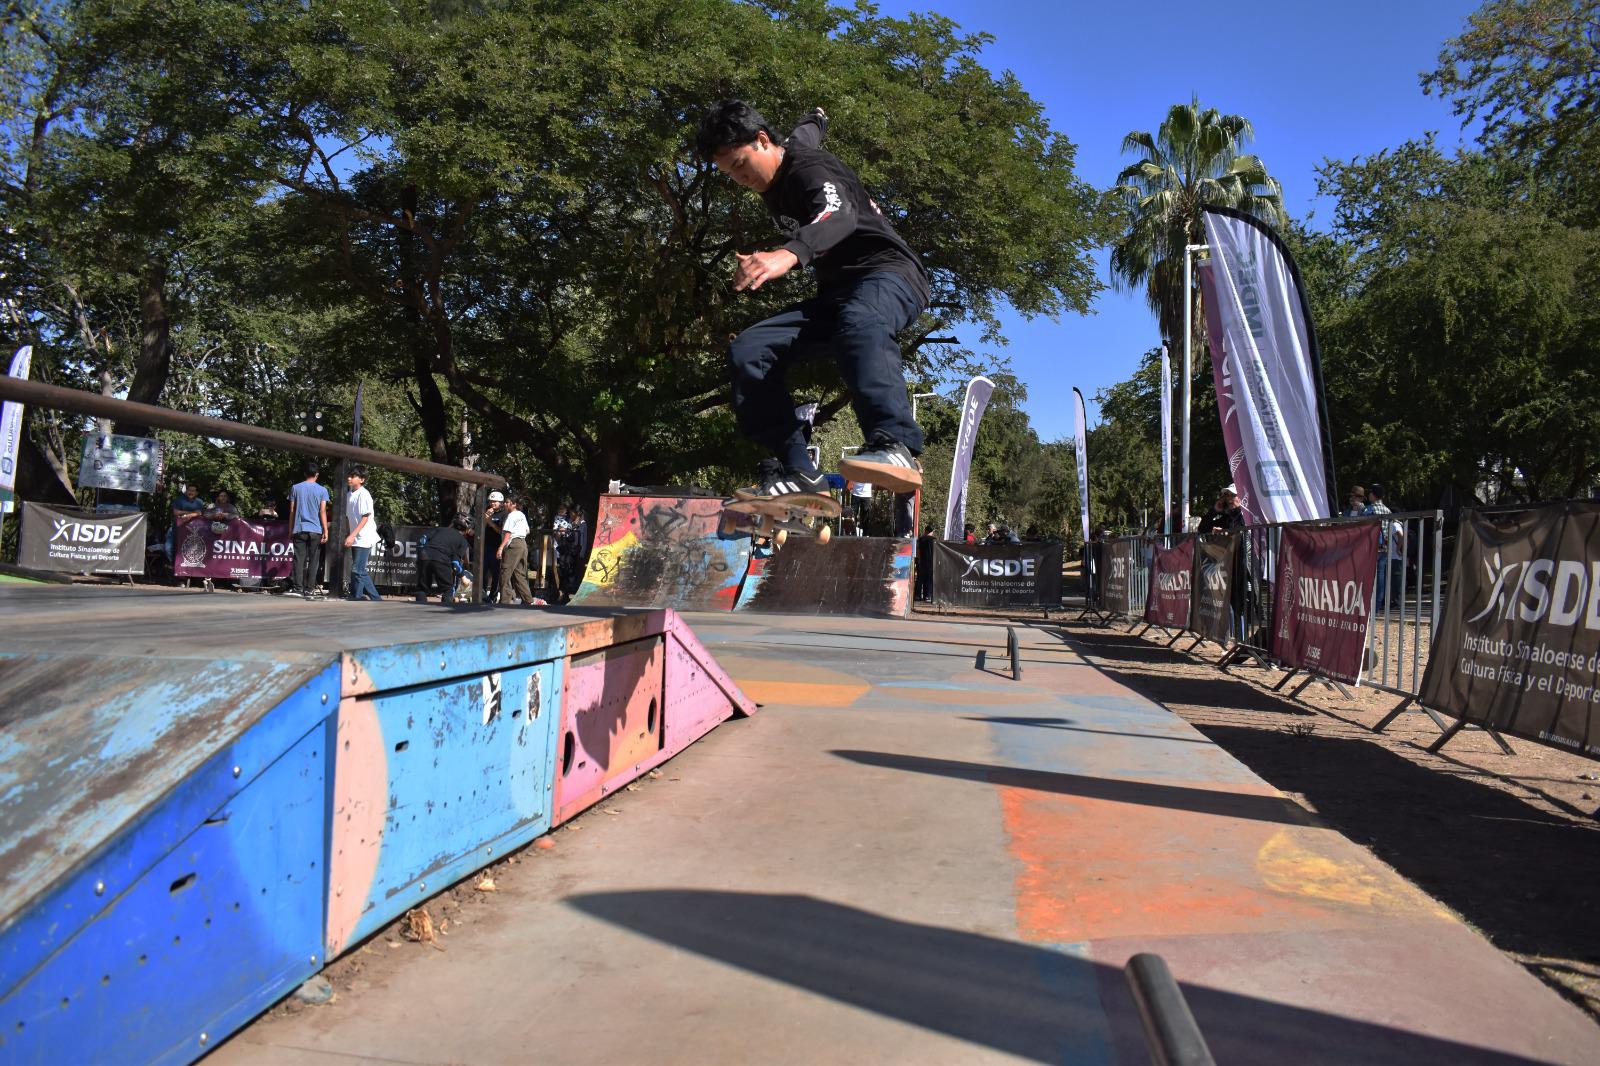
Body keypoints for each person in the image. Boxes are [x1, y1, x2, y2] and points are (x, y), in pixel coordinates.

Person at [696, 100, 931, 500]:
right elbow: (805, 131)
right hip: (838, 298)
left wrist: (788, 254)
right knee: (749, 350)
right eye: (728, 174)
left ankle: (895, 445)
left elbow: (837, 216)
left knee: (860, 319)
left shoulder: (811, 169)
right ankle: (798, 471)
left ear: (763, 140)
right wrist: (818, 117)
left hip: (891, 275)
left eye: (739, 165)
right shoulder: (787, 149)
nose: (739, 179)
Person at [286, 463, 329, 597]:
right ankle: (310, 589)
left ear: (305, 474)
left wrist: (290, 529)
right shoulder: (322, 490)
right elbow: (322, 511)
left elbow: (292, 511)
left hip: (299, 528)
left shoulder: (295, 488)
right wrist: (325, 530)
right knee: (314, 560)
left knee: (299, 559)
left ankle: (298, 588)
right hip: (315, 530)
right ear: (317, 474)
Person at [343, 465, 381, 601]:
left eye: (353, 476)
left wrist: (352, 535)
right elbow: (349, 517)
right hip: (355, 537)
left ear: (362, 480)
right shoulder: (348, 495)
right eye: (349, 475)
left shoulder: (364, 494)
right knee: (358, 570)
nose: (349, 478)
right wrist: (349, 534)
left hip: (364, 537)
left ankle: (375, 598)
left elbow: (365, 517)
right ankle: (357, 596)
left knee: (358, 570)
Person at [1364, 482, 1406, 609]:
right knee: (1381, 577)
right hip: (1384, 548)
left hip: (1371, 547)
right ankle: (1377, 605)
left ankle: (1370, 606)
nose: (1368, 495)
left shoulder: (1370, 509)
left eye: (1370, 493)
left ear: (1374, 495)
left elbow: (1364, 526)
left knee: (1369, 576)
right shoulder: (1387, 510)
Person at [416, 514, 473, 604]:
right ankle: (444, 612)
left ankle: (418, 609)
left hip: (424, 556)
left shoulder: (439, 529)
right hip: (441, 559)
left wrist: (421, 555)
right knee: (447, 589)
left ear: (453, 523)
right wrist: (463, 577)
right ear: (467, 529)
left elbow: (422, 540)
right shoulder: (463, 541)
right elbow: (455, 563)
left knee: (422, 588)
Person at [497, 494, 537, 607]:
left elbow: (508, 533)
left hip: (514, 544)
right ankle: (528, 599)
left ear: (514, 504)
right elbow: (527, 530)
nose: (505, 504)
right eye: (505, 502)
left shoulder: (511, 515)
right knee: (519, 573)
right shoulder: (522, 515)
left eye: (507, 502)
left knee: (505, 571)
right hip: (523, 544)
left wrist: (501, 547)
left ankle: (505, 601)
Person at [482, 491, 506, 603]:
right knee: (483, 572)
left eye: (495, 501)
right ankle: (482, 594)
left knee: (496, 573)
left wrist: (490, 522)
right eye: (491, 501)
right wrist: (485, 518)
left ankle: (493, 596)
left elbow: (501, 531)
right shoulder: (486, 512)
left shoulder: (503, 515)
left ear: (501, 503)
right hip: (484, 546)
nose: (493, 503)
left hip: (496, 546)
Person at [915, 525, 937, 601]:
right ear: (932, 531)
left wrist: (918, 559)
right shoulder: (935, 540)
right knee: (929, 579)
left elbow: (918, 550)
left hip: (922, 561)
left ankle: (917, 595)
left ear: (925, 530)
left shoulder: (921, 539)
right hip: (931, 562)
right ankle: (927, 596)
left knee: (920, 579)